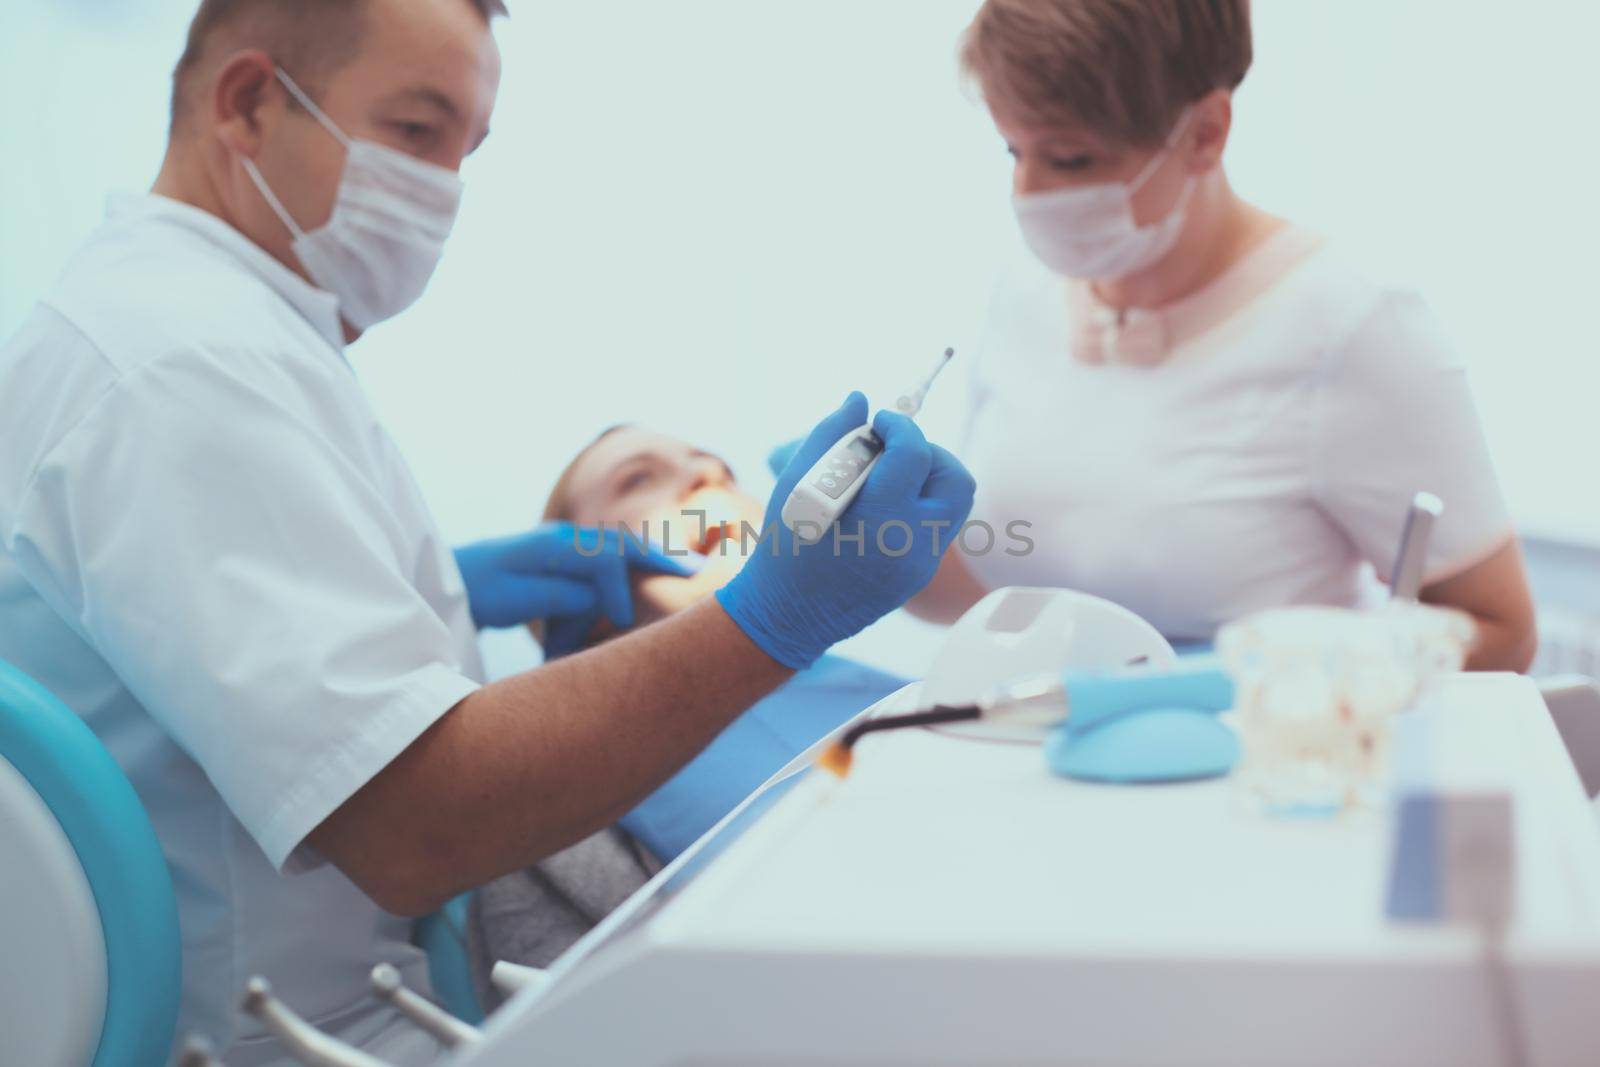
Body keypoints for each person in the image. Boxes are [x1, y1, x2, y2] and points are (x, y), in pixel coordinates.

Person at [0, 1, 974, 1062]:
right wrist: (774, 614)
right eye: (416, 132)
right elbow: (420, 824)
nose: (443, 192)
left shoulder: (213, 338)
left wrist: (440, 593)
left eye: (465, 151)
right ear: (247, 102)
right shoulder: (180, 364)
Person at [906, 0, 1536, 671]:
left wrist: (1276, 675)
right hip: (1015, 749)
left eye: (1069, 159)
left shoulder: (1352, 326)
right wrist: (872, 546)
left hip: (1254, 765)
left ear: (1206, 132)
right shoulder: (1024, 295)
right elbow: (1000, 584)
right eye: (1013, 150)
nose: (1026, 193)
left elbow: (1503, 633)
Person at [466, 427, 909, 987]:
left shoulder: (919, 686)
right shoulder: (541, 821)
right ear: (575, 569)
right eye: (638, 478)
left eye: (721, 468)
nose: (708, 477)